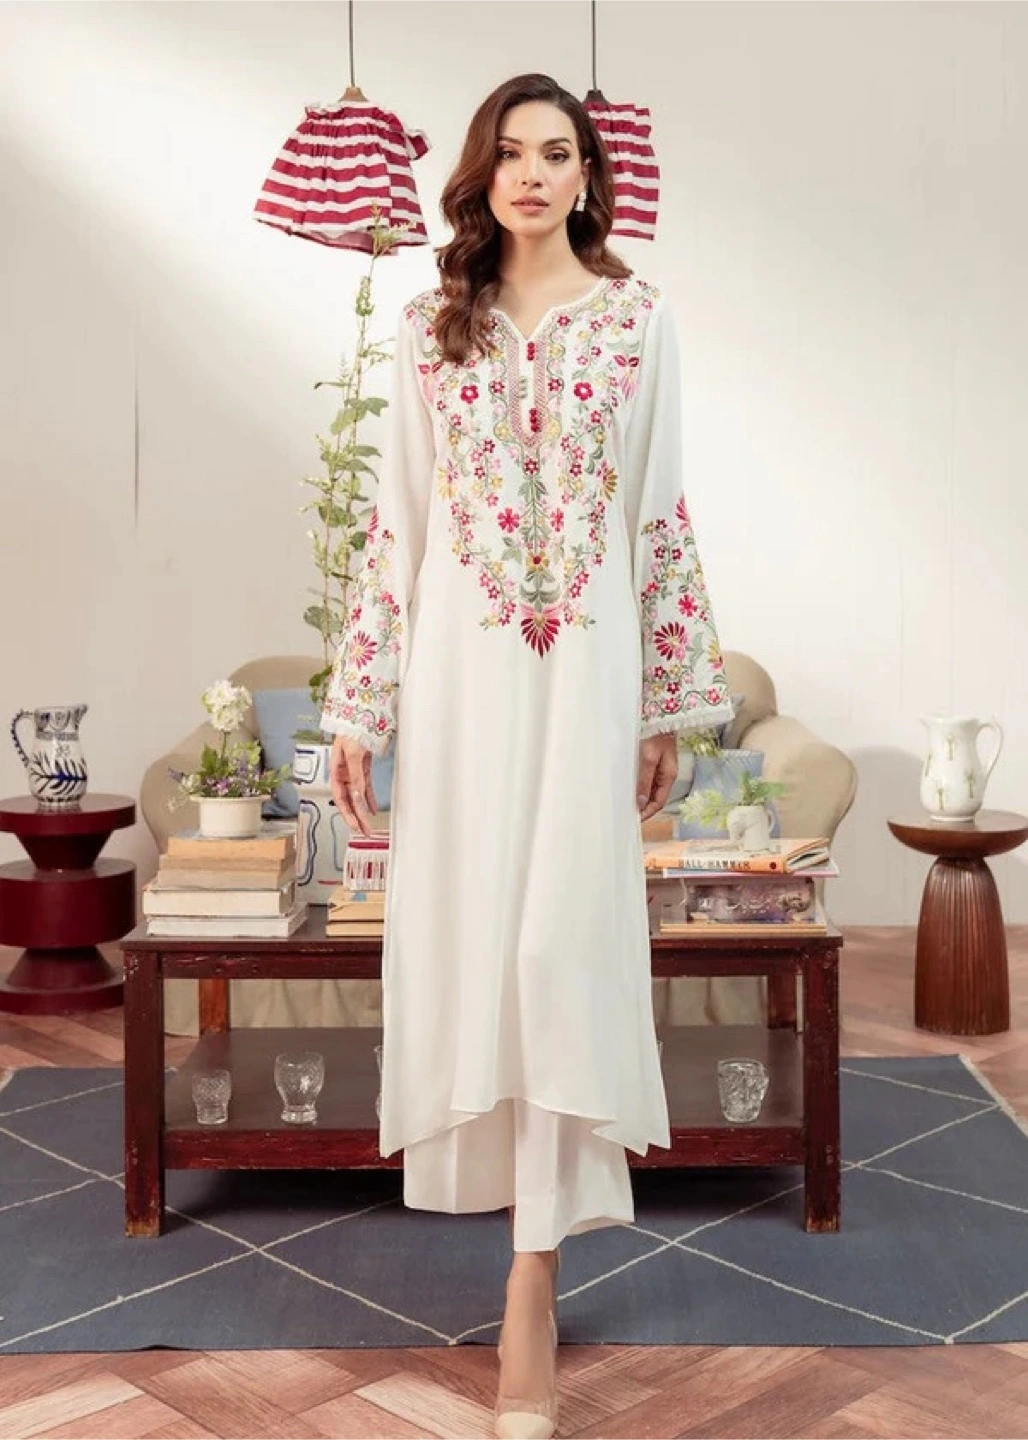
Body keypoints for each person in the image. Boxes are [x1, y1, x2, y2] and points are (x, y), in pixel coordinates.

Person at [322, 72, 733, 1440]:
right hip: (462, 679)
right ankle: (519, 1240)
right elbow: (397, 528)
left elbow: (659, 514)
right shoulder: (430, 331)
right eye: (511, 153)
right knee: (481, 949)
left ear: (588, 175)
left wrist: (665, 704)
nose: (534, 174)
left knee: (563, 947)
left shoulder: (638, 320)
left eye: (557, 153)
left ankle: (535, 1276)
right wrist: (363, 707)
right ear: (481, 175)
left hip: (589, 675)